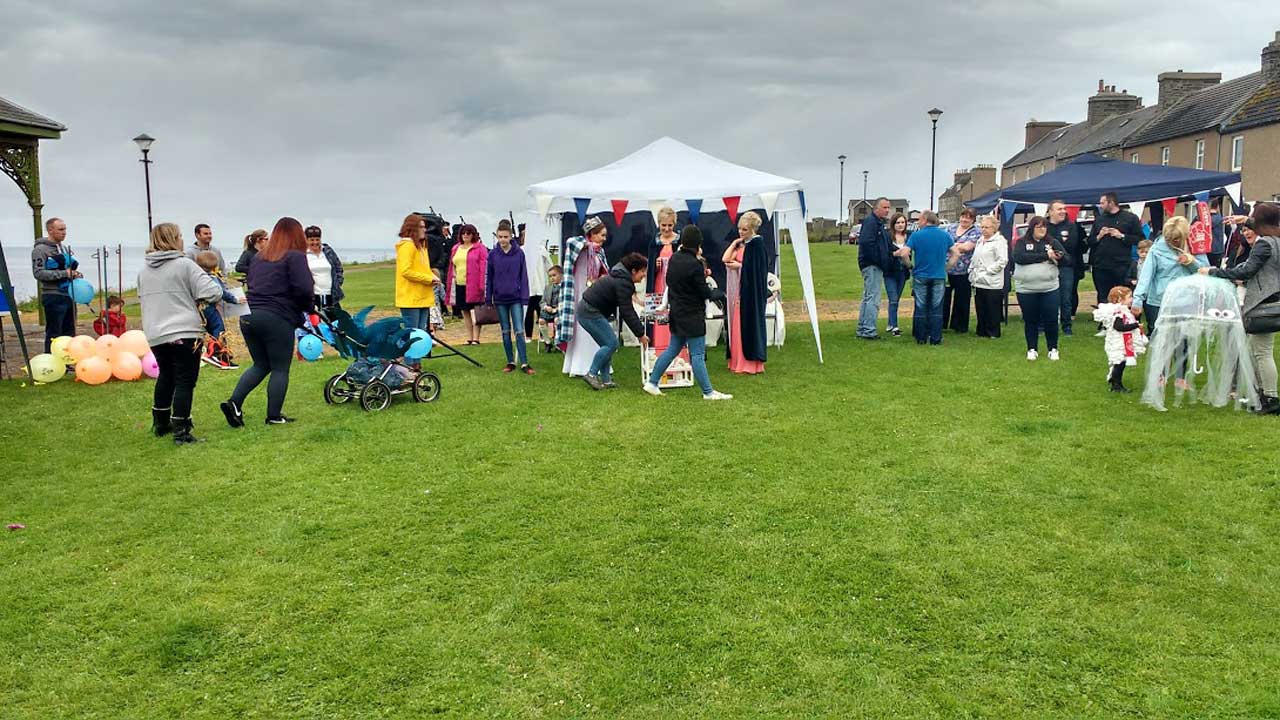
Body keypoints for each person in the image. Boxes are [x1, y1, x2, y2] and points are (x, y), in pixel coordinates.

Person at [221, 217, 314, 428]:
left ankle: (234, 403)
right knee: (280, 368)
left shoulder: (260, 256)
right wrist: (307, 309)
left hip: (248, 315)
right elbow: (304, 288)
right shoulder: (295, 257)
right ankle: (274, 415)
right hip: (275, 316)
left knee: (261, 364)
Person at [137, 223, 223, 445]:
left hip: (156, 332)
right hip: (184, 330)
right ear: (173, 239)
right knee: (185, 380)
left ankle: (161, 422)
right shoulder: (184, 265)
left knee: (166, 375)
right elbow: (213, 292)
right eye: (180, 236)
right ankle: (181, 429)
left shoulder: (144, 271)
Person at [1201, 203, 1280, 414]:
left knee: (1262, 352)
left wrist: (1213, 272)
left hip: (1262, 301)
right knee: (1257, 351)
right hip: (1273, 300)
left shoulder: (1265, 245)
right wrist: (1243, 219)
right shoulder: (1277, 240)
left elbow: (1246, 271)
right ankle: (1263, 396)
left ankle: (1271, 398)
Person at [643, 225, 732, 400]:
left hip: (676, 312)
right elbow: (705, 292)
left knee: (672, 349)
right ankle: (708, 392)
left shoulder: (674, 258)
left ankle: (652, 382)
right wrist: (719, 292)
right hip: (692, 315)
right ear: (697, 244)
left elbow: (670, 281)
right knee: (697, 354)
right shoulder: (695, 264)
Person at [576, 252, 648, 390]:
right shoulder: (624, 283)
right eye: (642, 272)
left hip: (587, 309)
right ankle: (591, 374)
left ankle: (606, 380)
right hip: (590, 312)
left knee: (607, 343)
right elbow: (627, 311)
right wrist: (641, 334)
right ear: (633, 271)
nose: (644, 275)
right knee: (611, 343)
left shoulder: (620, 276)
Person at [1133, 216, 1208, 336]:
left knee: (1183, 341)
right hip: (1160, 301)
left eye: (1176, 239)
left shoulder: (1195, 245)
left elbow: (1206, 271)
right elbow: (1145, 276)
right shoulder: (1156, 250)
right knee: (1160, 340)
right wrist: (1137, 300)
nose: (1172, 241)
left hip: (1186, 300)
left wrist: (1191, 262)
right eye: (1169, 238)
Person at [559, 217, 611, 377]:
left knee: (594, 327)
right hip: (578, 291)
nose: (604, 239)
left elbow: (604, 271)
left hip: (593, 293)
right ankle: (578, 365)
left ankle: (595, 362)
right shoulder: (578, 246)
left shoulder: (599, 252)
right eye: (601, 235)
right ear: (592, 234)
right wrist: (588, 245)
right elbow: (571, 242)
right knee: (580, 328)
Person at [893, 211, 952, 345]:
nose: (917, 222)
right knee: (936, 307)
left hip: (920, 275)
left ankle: (921, 337)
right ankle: (936, 338)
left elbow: (904, 253)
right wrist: (946, 268)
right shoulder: (945, 235)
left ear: (925, 220)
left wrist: (910, 266)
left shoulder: (916, 235)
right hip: (939, 275)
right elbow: (955, 253)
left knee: (921, 306)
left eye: (919, 219)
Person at [1012, 215, 1066, 361]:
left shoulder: (1052, 242)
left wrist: (1057, 256)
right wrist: (1045, 256)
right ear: (1032, 228)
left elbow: (1066, 258)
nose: (1042, 229)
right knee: (1031, 320)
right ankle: (1032, 348)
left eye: (1044, 226)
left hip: (1049, 288)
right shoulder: (1021, 242)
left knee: (1051, 319)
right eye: (1039, 226)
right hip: (1026, 289)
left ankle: (1053, 348)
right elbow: (1019, 258)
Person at [723, 211, 769, 372]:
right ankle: (737, 361)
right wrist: (735, 242)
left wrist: (740, 267)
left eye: (745, 230)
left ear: (752, 230)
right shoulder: (743, 245)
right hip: (740, 291)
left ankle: (750, 363)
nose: (741, 232)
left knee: (748, 325)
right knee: (737, 327)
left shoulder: (757, 245)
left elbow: (757, 272)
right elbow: (725, 259)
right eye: (740, 229)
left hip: (750, 294)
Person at [486, 219, 533, 374]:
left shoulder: (519, 253)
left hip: (516, 298)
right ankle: (510, 361)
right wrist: (488, 297)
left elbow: (523, 276)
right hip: (500, 298)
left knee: (519, 330)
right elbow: (490, 277)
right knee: (505, 330)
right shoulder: (492, 255)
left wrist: (525, 296)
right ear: (497, 237)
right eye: (500, 237)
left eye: (505, 237)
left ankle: (525, 362)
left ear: (511, 236)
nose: (503, 240)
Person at [31, 217, 80, 352]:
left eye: (65, 229)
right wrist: (64, 274)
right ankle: (51, 361)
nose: (64, 232)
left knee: (69, 331)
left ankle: (67, 361)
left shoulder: (64, 248)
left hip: (69, 294)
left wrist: (75, 274)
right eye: (60, 229)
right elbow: (39, 273)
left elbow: (68, 268)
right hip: (53, 295)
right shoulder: (40, 250)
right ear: (50, 230)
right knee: (54, 332)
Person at [1088, 192, 1144, 304]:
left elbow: (1140, 239)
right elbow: (1090, 241)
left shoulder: (1130, 218)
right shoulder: (1099, 219)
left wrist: (1122, 236)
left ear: (1111, 203)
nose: (1101, 206)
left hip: (1121, 265)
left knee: (1121, 294)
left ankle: (1122, 319)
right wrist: (1099, 236)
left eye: (1103, 203)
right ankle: (1104, 318)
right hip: (1101, 265)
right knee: (1103, 295)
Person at [1093, 286, 1145, 393]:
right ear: (1120, 300)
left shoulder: (1125, 312)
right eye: (1129, 297)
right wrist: (1135, 326)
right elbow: (1119, 327)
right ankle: (1116, 384)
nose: (1132, 299)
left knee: (1121, 363)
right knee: (1119, 362)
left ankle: (1116, 381)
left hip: (1123, 342)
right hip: (1118, 343)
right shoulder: (1118, 313)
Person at [194, 250, 241, 370]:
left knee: (206, 332)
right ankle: (217, 354)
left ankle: (216, 356)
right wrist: (235, 299)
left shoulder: (195, 278)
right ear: (215, 266)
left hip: (198, 309)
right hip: (209, 307)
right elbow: (221, 293)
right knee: (219, 330)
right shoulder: (212, 279)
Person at [395, 213, 438, 333]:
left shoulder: (421, 246)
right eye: (421, 227)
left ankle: (419, 352)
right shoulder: (407, 246)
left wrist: (433, 276)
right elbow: (406, 271)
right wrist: (428, 279)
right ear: (412, 228)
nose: (424, 230)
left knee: (421, 333)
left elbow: (423, 268)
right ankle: (407, 352)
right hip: (410, 298)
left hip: (423, 296)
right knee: (412, 333)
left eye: (424, 227)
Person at [1047, 200, 1084, 335]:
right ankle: (1044, 325)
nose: (1063, 211)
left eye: (1064, 209)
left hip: (1066, 267)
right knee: (1046, 296)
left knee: (1066, 298)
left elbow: (1071, 246)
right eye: (1059, 209)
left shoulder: (1071, 226)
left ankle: (1067, 327)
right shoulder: (1044, 226)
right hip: (1047, 266)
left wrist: (1056, 252)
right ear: (1050, 211)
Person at [855, 198, 891, 340]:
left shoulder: (878, 224)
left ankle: (863, 328)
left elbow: (884, 244)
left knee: (868, 296)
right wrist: (880, 260)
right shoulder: (871, 222)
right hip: (872, 265)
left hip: (871, 264)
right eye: (884, 207)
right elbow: (867, 243)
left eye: (888, 207)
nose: (887, 210)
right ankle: (869, 330)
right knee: (873, 298)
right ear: (876, 208)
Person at [447, 224, 488, 345]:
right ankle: (469, 337)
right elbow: (452, 265)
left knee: (475, 312)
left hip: (474, 285)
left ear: (473, 235)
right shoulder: (456, 248)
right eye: (463, 233)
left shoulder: (480, 248)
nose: (465, 235)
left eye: (468, 233)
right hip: (460, 283)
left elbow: (483, 267)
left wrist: (482, 285)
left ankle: (476, 338)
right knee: (465, 311)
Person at [969, 215, 1008, 339]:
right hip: (978, 280)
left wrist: (989, 271)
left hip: (992, 281)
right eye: (982, 227)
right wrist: (971, 270)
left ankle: (993, 332)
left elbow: (1002, 261)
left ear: (994, 228)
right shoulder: (980, 240)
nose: (984, 230)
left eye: (987, 227)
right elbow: (975, 257)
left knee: (992, 308)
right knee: (980, 307)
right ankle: (981, 331)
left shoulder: (999, 241)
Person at [942, 207, 980, 333]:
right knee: (944, 298)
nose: (964, 219)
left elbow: (968, 247)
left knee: (962, 299)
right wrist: (958, 246)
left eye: (968, 218)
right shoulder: (950, 228)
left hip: (964, 271)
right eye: (963, 216)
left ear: (973, 220)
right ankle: (942, 323)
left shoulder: (976, 231)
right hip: (947, 269)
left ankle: (959, 326)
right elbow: (944, 243)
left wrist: (954, 246)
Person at [520, 222, 552, 342]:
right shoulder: (521, 250)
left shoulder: (541, 250)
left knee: (542, 312)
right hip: (527, 287)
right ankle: (528, 336)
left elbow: (549, 266)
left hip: (541, 286)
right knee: (528, 312)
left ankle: (543, 335)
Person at [304, 225, 344, 310]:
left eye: (317, 239)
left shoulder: (327, 251)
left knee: (335, 321)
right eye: (311, 240)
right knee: (316, 322)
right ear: (306, 240)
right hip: (313, 297)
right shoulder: (303, 254)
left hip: (331, 295)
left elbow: (338, 268)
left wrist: (338, 283)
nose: (315, 242)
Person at [884, 213, 912, 337]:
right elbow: (883, 253)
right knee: (893, 299)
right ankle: (895, 327)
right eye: (898, 223)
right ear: (893, 224)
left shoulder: (910, 237)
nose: (900, 225)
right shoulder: (887, 237)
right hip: (890, 272)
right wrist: (895, 254)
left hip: (903, 272)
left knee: (896, 300)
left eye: (903, 222)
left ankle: (890, 323)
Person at [540, 266, 563, 352]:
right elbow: (541, 302)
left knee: (557, 320)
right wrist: (546, 307)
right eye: (550, 276)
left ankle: (558, 343)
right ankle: (547, 342)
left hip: (560, 311)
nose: (552, 278)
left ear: (561, 275)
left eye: (554, 275)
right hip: (549, 311)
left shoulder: (565, 287)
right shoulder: (547, 288)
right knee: (541, 321)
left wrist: (557, 308)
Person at [1209, 197, 1226, 269]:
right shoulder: (1221, 219)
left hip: (1204, 249)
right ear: (1218, 206)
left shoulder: (1199, 218)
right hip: (1217, 250)